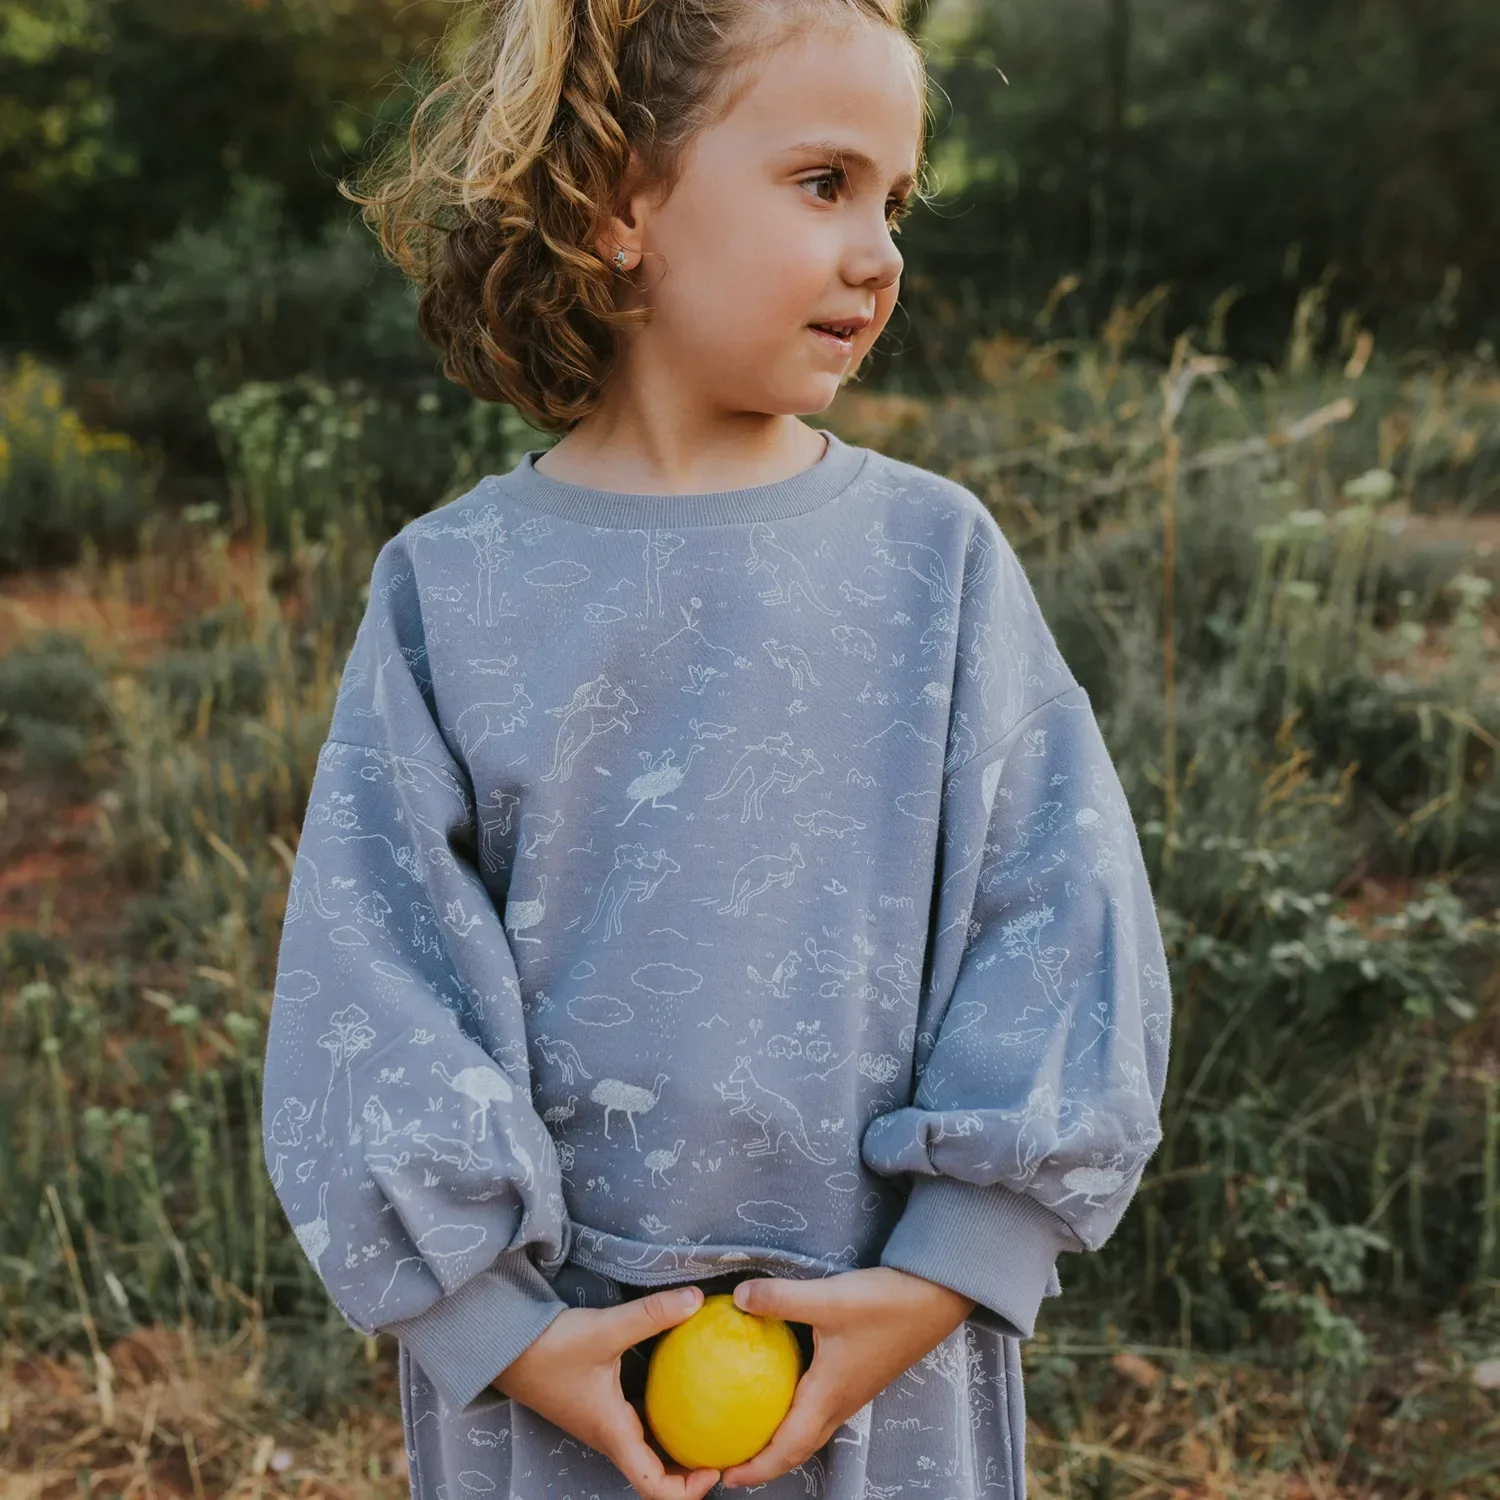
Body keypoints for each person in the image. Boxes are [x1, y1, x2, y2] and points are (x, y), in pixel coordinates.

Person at [261, 2, 1173, 1499]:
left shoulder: (931, 561)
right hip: (558, 1365)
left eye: (894, 199)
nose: (878, 250)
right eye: (825, 184)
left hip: (886, 1345)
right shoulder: (455, 589)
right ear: (624, 201)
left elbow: (1059, 914)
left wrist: (948, 1271)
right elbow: (374, 981)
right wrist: (496, 1323)